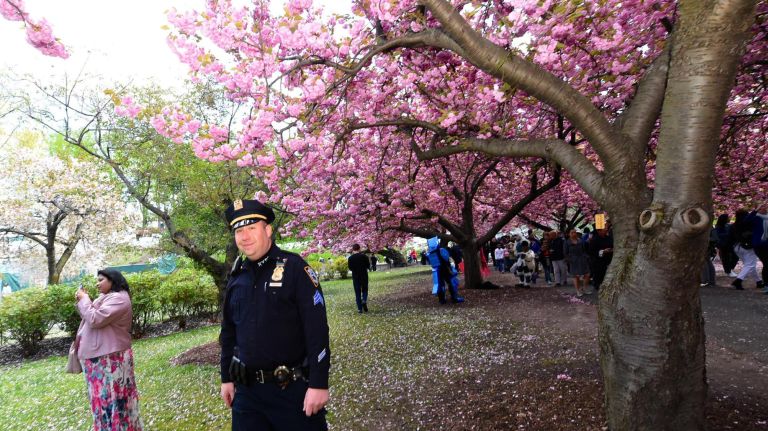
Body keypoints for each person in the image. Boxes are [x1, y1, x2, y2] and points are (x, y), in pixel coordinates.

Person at [220, 199, 330, 430]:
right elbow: (229, 332)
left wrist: (319, 384)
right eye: (239, 230)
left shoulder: (295, 269)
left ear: (268, 230)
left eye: (252, 228)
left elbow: (317, 329)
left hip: (292, 391)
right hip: (247, 396)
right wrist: (226, 378)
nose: (245, 236)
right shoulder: (236, 277)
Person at [75, 268, 143, 431]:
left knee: (113, 401)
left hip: (110, 360)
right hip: (100, 358)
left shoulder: (119, 299)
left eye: (101, 280)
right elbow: (88, 315)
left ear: (113, 280)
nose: (97, 284)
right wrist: (82, 300)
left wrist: (84, 299)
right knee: (102, 402)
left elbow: (94, 318)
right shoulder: (107, 298)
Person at [729, 209, 763, 290]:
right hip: (748, 247)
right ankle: (738, 280)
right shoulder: (748, 224)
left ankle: (758, 281)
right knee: (750, 265)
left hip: (737, 247)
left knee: (750, 265)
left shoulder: (734, 225)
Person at [426, 236, 465, 304]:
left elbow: (431, 263)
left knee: (440, 285)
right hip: (445, 269)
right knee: (452, 283)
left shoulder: (429, 254)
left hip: (436, 271)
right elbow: (446, 259)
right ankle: (454, 298)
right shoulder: (441, 250)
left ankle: (442, 300)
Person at [564, 229, 591, 296]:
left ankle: (584, 288)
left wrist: (586, 257)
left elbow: (584, 250)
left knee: (587, 274)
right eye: (572, 233)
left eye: (575, 232)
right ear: (569, 234)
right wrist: (569, 260)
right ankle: (578, 290)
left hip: (582, 259)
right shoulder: (567, 242)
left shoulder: (580, 240)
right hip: (573, 260)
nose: (574, 234)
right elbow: (565, 253)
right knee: (576, 276)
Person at [347, 244, 370, 313]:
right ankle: (364, 300)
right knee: (365, 289)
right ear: (359, 249)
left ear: (353, 249)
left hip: (356, 277)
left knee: (357, 292)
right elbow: (368, 266)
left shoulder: (350, 258)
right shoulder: (364, 256)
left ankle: (359, 309)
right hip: (364, 276)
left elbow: (350, 268)